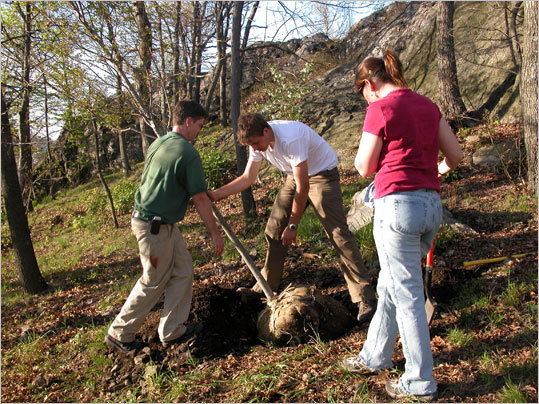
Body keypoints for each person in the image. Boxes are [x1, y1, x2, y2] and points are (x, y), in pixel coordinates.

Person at [341, 49, 463, 401]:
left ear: (369, 84)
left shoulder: (380, 108)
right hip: (431, 207)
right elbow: (455, 156)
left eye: (362, 92)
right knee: (391, 283)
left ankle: (420, 381)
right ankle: (375, 355)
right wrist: (435, 171)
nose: (365, 98)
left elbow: (364, 167)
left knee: (407, 293)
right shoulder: (428, 105)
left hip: (397, 208)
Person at [207, 113, 377, 324]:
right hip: (295, 177)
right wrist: (215, 194)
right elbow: (248, 178)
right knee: (274, 230)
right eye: (251, 145)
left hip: (322, 174)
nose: (255, 148)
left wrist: (293, 225)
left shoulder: (291, 137)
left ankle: (364, 296)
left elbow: (303, 187)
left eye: (256, 143)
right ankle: (266, 286)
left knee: (338, 234)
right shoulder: (256, 143)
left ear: (266, 131)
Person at [104, 100, 224, 353]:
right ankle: (119, 333)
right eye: (199, 125)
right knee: (153, 280)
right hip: (153, 227)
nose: (199, 131)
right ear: (188, 121)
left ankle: (172, 330)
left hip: (163, 224)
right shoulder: (187, 152)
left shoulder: (159, 143)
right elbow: (200, 198)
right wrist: (215, 234)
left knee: (183, 270)